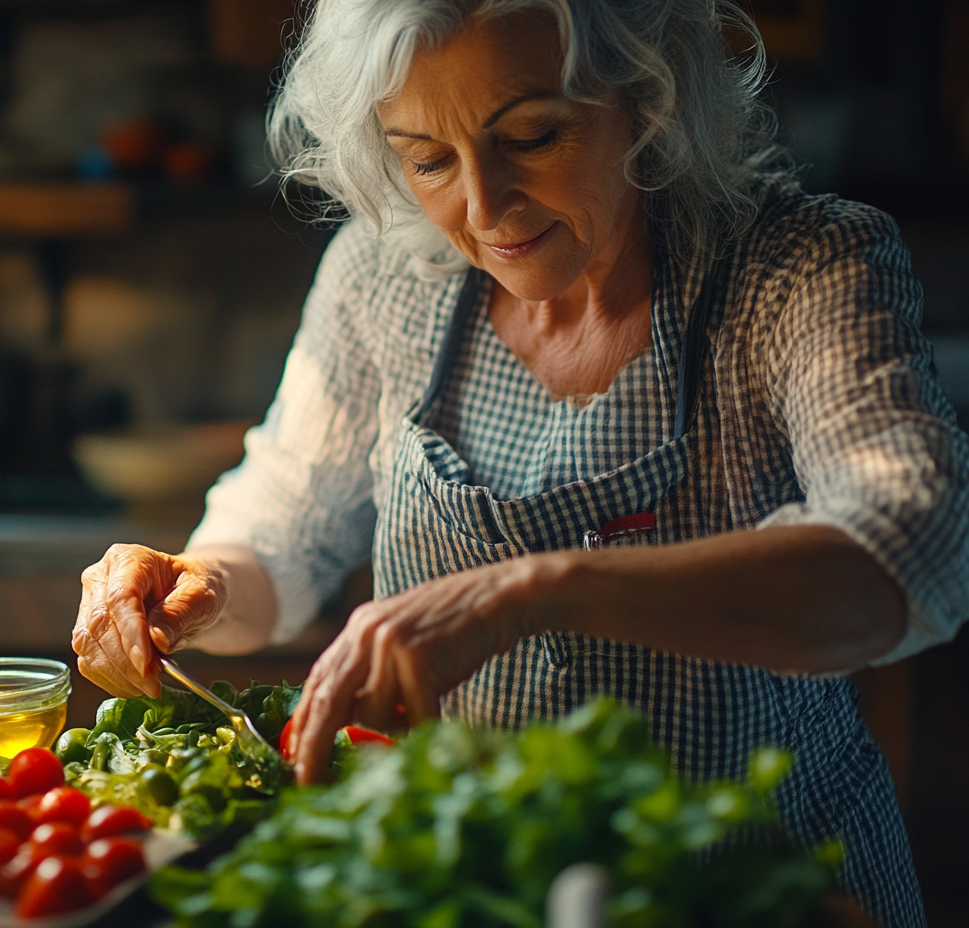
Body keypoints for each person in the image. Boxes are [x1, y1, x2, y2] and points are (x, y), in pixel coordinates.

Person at [72, 2, 969, 924]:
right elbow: (285, 520)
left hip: (754, 892)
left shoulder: (799, 269)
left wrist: (531, 591)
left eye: (533, 137)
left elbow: (912, 548)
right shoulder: (382, 277)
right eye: (427, 159)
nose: (484, 206)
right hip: (480, 893)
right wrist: (199, 584)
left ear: (646, 92)